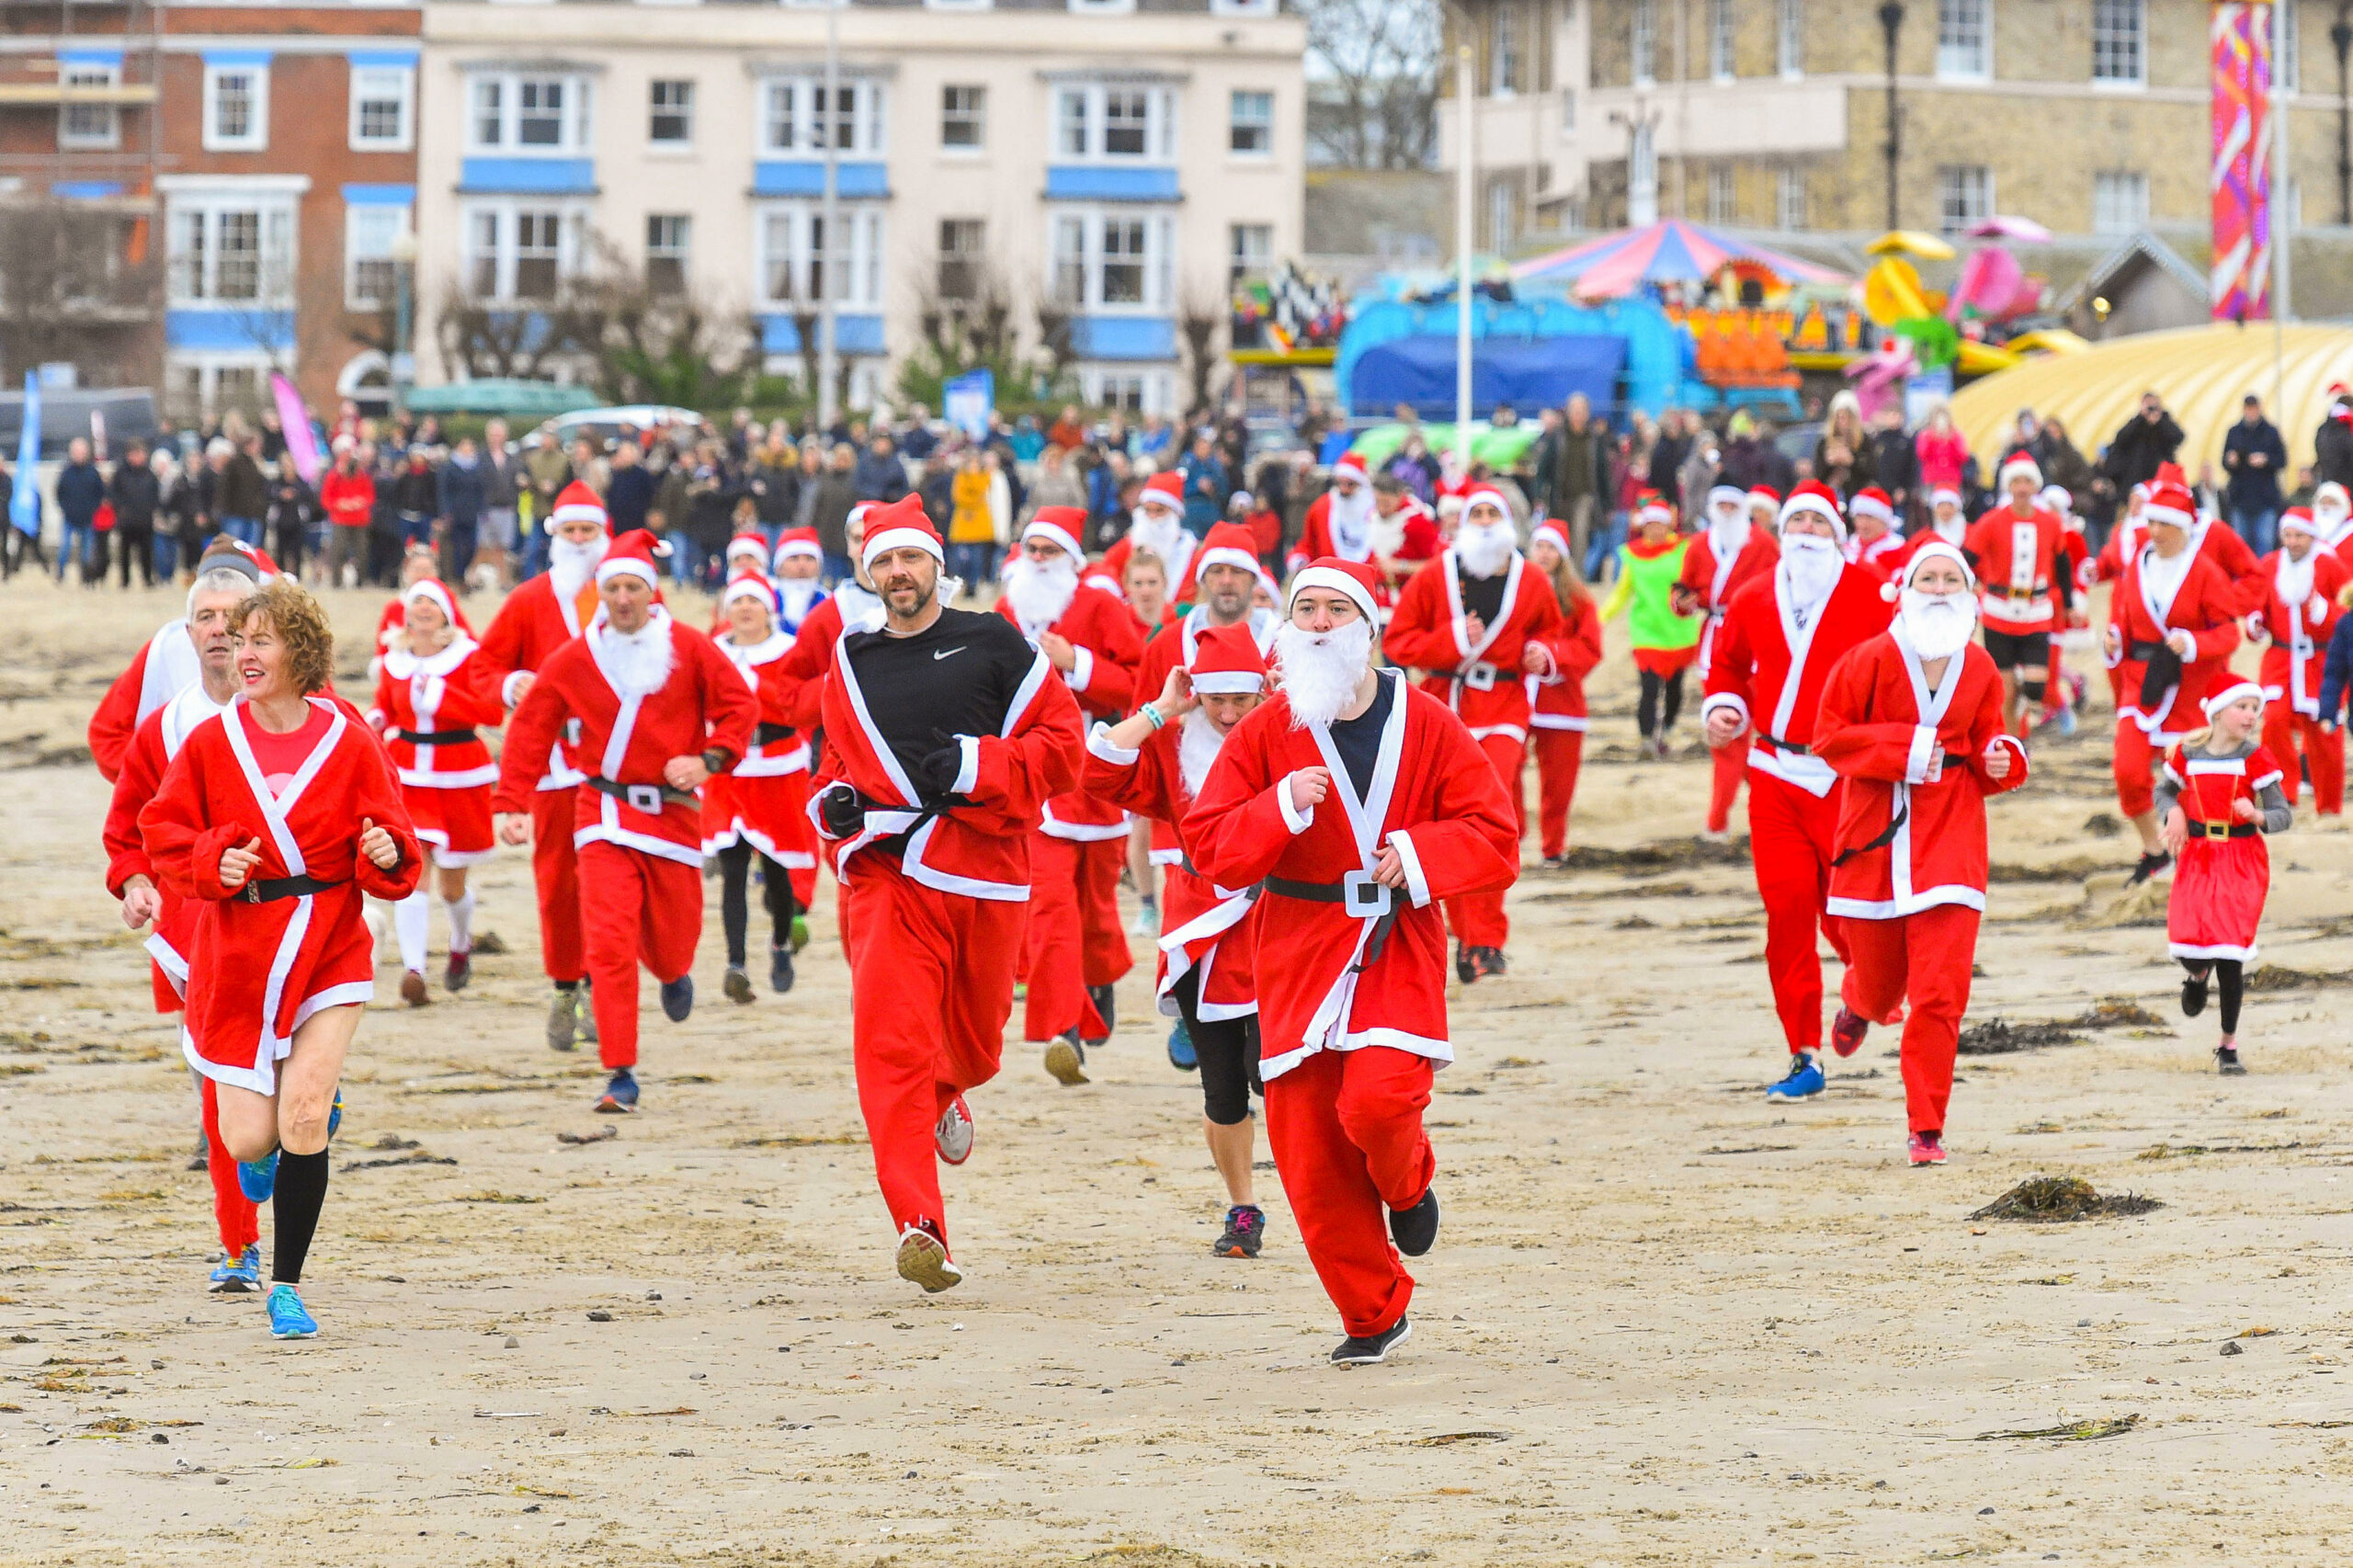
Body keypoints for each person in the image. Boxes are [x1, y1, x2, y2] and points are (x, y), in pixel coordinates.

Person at [1185, 556, 1519, 1365]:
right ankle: (1372, 1312)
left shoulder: (1431, 720)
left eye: (1338, 609)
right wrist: (1277, 807)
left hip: (1396, 938)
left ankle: (1408, 1183)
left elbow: (1496, 834)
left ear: (1369, 626)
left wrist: (1419, 850)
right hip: (1295, 944)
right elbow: (1209, 844)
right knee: (1305, 1147)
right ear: (1287, 626)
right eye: (1307, 610)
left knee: (1378, 1100)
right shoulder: (1269, 729)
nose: (1322, 623)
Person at [807, 494, 1085, 1293]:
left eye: (910, 558)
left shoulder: (994, 642)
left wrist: (976, 768)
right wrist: (831, 808)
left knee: (977, 1040)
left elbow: (1061, 751)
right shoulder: (851, 660)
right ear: (867, 571)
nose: (897, 572)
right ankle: (918, 1223)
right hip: (889, 874)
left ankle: (948, 1091)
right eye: (882, 561)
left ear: (937, 564)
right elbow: (835, 765)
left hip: (987, 874)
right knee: (889, 1048)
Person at [139, 578, 423, 1338]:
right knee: (246, 1142)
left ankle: (287, 1286)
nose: (242, 652)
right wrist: (212, 864)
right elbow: (160, 829)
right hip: (240, 953)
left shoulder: (349, 738)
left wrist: (385, 849)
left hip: (330, 940)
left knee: (301, 1119)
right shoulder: (209, 742)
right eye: (237, 638)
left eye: (260, 638)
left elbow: (397, 841)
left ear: (301, 651)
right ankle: (286, 1133)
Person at [494, 532, 755, 1111]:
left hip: (673, 814)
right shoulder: (575, 657)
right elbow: (532, 728)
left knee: (670, 941)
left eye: (633, 586)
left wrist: (708, 759)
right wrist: (511, 803)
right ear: (600, 594)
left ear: (651, 592)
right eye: (611, 587)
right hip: (602, 811)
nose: (622, 597)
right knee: (608, 943)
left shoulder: (688, 647)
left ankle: (673, 972)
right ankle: (620, 1070)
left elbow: (740, 707)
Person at [1814, 542, 2029, 1165]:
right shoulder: (1867, 661)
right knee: (1884, 992)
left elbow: (1992, 742)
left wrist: (2003, 759)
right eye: (1928, 578)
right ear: (1905, 588)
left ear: (1967, 592)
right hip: (1874, 839)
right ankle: (1860, 1001)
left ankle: (1926, 1127)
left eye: (1950, 578)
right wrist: (1904, 749)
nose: (1938, 588)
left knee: (1939, 994)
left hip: (1952, 843)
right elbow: (1828, 738)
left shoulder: (1982, 667)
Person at [102, 562, 267, 1291]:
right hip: (198, 932)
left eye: (238, 616)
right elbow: (128, 824)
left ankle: (304, 1115)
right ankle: (239, 1247)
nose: (222, 630)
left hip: (296, 928)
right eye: (208, 617)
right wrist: (136, 880)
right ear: (189, 630)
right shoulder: (165, 728)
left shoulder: (311, 716)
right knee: (219, 1083)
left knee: (291, 1093)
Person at [1700, 481, 1894, 1098]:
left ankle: (1866, 994)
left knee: (1847, 910)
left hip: (1846, 777)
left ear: (1838, 535)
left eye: (1818, 523)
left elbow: (1901, 669)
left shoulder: (1871, 595)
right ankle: (1802, 1053)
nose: (1807, 532)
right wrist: (1723, 708)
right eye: (1797, 522)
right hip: (1774, 773)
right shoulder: (1754, 596)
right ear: (1782, 532)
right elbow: (1725, 664)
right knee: (1786, 912)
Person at [1086, 625, 1275, 1257]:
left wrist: (1278, 708)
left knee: (1271, 1074)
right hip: (1197, 927)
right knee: (1221, 1086)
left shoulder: (1286, 735)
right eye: (1214, 698)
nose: (1225, 714)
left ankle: (1324, 1189)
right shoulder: (1172, 745)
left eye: (1239, 701)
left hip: (1270, 921)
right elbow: (1099, 770)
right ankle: (1243, 1209)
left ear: (1258, 694)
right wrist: (1161, 708)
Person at [1382, 486, 1563, 980]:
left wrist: (1542, 655)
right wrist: (1454, 640)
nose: (1484, 521)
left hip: (1503, 707)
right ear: (1463, 522)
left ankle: (1485, 938)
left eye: (1492, 513)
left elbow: (1551, 630)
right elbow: (1399, 641)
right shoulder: (1434, 577)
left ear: (1508, 522)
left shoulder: (1532, 580)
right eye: (1475, 513)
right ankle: (1462, 933)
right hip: (1444, 708)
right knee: (1445, 823)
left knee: (1490, 819)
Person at [998, 509, 1143, 1079]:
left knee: (1097, 908)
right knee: (1050, 909)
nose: (1037, 559)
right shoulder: (1007, 613)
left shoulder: (1101, 606)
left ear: (1071, 558)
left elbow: (1132, 680)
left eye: (1049, 550)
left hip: (1098, 774)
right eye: (1030, 548)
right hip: (1037, 778)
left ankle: (1099, 980)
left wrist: (1074, 664)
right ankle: (1064, 1030)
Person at [474, 481, 613, 1051]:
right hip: (554, 769)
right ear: (555, 535)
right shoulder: (531, 599)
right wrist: (510, 685)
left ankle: (605, 988)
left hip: (617, 769)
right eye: (571, 531)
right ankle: (565, 985)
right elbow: (482, 667)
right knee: (558, 884)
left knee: (610, 885)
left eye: (589, 532)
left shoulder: (626, 595)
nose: (580, 542)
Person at [2104, 475, 2245, 883]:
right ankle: (2154, 848)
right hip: (2141, 682)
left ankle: (2198, 859)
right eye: (2152, 523)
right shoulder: (2137, 566)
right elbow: (2122, 619)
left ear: (2183, 526)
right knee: (2128, 772)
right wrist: (2114, 639)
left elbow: (2228, 632)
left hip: (2191, 690)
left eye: (2164, 524)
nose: (2156, 532)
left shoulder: (2205, 571)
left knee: (2188, 783)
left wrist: (2195, 642)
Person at [369, 577, 501, 1005]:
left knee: (451, 887)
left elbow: (490, 712)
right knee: (414, 871)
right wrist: (376, 720)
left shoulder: (469, 658)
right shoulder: (393, 662)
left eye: (432, 603)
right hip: (409, 776)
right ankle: (414, 969)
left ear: (446, 614)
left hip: (459, 773)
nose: (423, 608)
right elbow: (386, 707)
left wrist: (441, 697)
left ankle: (461, 944)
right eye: (416, 602)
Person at [2157, 682, 2291, 1074]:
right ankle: (2197, 975)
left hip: (2242, 858)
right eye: (2242, 706)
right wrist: (2174, 812)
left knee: (2230, 953)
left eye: (2255, 708)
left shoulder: (2257, 757)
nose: (2251, 715)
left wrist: (2257, 815)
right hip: (2198, 856)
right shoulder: (2187, 754)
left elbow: (2283, 815)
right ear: (2217, 713)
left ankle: (2228, 1044)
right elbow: (2163, 792)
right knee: (2186, 943)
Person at [703, 570, 816, 998]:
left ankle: (782, 943)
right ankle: (736, 963)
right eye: (738, 602)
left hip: (777, 769)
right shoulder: (713, 652)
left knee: (775, 870)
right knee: (732, 870)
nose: (745, 609)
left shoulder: (789, 651)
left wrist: (754, 687)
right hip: (729, 769)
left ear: (769, 610)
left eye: (754, 602)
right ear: (727, 611)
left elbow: (797, 707)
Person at [86, 540, 273, 783]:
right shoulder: (166, 646)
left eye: (232, 611)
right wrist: (160, 784)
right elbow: (106, 734)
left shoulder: (283, 654)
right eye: (207, 614)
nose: (219, 627)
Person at [1675, 484, 1779, 838]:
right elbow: (1682, 592)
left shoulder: (1764, 544)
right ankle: (1731, 811)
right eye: (1722, 504)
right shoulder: (1699, 544)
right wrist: (1685, 603)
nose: (1728, 510)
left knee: (1741, 728)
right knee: (1729, 729)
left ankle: (1720, 817)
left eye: (1734, 504)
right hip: (1714, 641)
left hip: (1755, 642)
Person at [1966, 453, 2071, 737]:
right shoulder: (1991, 521)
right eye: (2016, 482)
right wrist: (1968, 584)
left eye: (2027, 481)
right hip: (1999, 612)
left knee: (2036, 688)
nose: (2022, 488)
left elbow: (2063, 564)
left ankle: (2027, 708)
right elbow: (1967, 557)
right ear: (2008, 487)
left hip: (2036, 611)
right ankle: (2013, 741)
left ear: (2035, 486)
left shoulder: (2050, 522)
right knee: (2005, 689)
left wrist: (2070, 604)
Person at [2251, 507, 2347, 818]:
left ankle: (2329, 806)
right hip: (2280, 660)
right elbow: (2258, 605)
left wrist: (2327, 611)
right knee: (2275, 720)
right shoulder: (2270, 565)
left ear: (2312, 536)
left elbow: (2348, 613)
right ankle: (2284, 796)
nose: (2292, 542)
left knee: (2324, 733)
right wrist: (2255, 622)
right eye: (2287, 535)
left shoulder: (2330, 566)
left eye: (2299, 536)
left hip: (2321, 661)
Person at [1597, 493, 1700, 760]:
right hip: (1647, 632)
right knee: (1649, 689)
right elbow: (1622, 592)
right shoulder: (1633, 556)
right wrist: (1601, 618)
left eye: (1659, 524)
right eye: (1649, 524)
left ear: (1668, 525)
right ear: (1643, 526)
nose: (1654, 529)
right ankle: (1645, 740)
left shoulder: (1683, 549)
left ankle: (1667, 729)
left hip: (1679, 630)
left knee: (1675, 690)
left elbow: (1696, 580)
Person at [1526, 521, 1604, 866]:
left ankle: (1553, 846)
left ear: (1562, 555)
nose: (1543, 554)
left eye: (1551, 548)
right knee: (1501, 771)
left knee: (1558, 782)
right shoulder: (1514, 590)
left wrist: (1551, 656)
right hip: (1511, 700)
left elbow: (1589, 649)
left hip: (1561, 703)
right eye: (1539, 546)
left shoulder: (1578, 599)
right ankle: (1508, 836)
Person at [1094, 471, 1197, 606]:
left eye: (1159, 510)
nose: (1152, 518)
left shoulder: (1191, 553)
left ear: (1175, 513)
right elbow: (1103, 569)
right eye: (1148, 510)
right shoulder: (1131, 544)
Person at [1534, 392, 1613, 565]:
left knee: (1579, 537)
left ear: (1587, 413)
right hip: (1560, 498)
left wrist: (1607, 503)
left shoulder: (1595, 439)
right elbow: (1544, 468)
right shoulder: (1557, 437)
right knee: (1560, 540)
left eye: (1582, 410)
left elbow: (1603, 473)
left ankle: (1577, 577)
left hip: (1585, 497)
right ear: (1568, 412)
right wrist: (1539, 494)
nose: (1578, 414)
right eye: (1575, 410)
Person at [2222, 393, 2289, 555]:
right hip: (2241, 498)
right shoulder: (2234, 432)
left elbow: (2282, 460)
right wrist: (2231, 460)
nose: (2251, 412)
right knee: (2241, 545)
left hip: (2265, 499)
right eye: (2248, 409)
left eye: (2253, 408)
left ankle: (2263, 577)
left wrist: (2266, 460)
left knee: (2264, 543)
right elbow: (2224, 462)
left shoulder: (2271, 432)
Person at [2101, 391, 2186, 496]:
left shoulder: (2165, 421)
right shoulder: (2136, 423)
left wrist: (2160, 421)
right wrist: (2140, 418)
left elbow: (2179, 437)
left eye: (2153, 406)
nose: (2151, 409)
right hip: (2136, 478)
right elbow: (2120, 438)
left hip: (2160, 478)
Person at [108, 439, 160, 589]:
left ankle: (147, 579)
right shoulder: (121, 473)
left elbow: (155, 496)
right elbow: (113, 494)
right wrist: (121, 509)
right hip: (126, 521)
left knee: (146, 553)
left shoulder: (150, 474)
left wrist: (152, 510)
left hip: (145, 521)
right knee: (124, 553)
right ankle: (125, 581)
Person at [55, 437, 106, 585]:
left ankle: (86, 577)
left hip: (88, 518)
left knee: (87, 552)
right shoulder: (66, 472)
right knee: (65, 547)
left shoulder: (93, 472)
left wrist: (93, 509)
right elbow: (59, 492)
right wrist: (65, 508)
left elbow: (100, 493)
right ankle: (60, 574)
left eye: (81, 452)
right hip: (69, 517)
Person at [1844, 486, 1907, 583]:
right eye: (1859, 517)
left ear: (1884, 520)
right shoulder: (1848, 547)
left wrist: (1863, 563)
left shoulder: (1899, 550)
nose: (1863, 524)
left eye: (1870, 518)